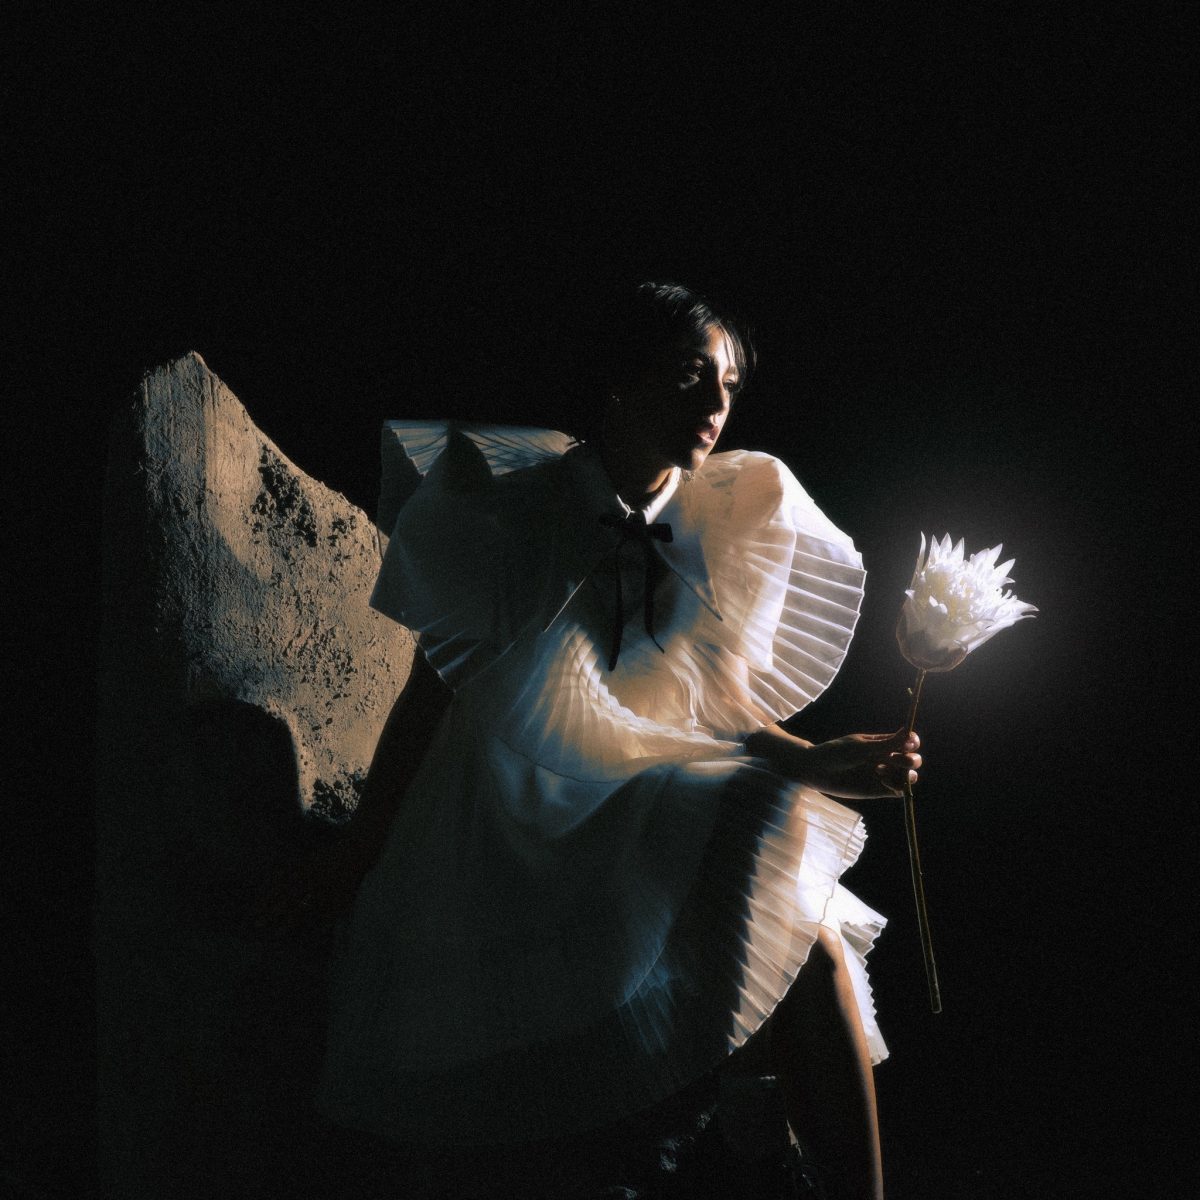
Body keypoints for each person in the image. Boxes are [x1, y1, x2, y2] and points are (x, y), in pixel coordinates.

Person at [279, 283, 920, 1200]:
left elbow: (716, 702)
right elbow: (431, 693)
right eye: (693, 377)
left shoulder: (717, 519)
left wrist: (817, 759)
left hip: (642, 790)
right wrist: (357, 857)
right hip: (518, 806)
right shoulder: (519, 505)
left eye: (729, 386)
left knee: (813, 943)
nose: (715, 407)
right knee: (753, 814)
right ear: (621, 381)